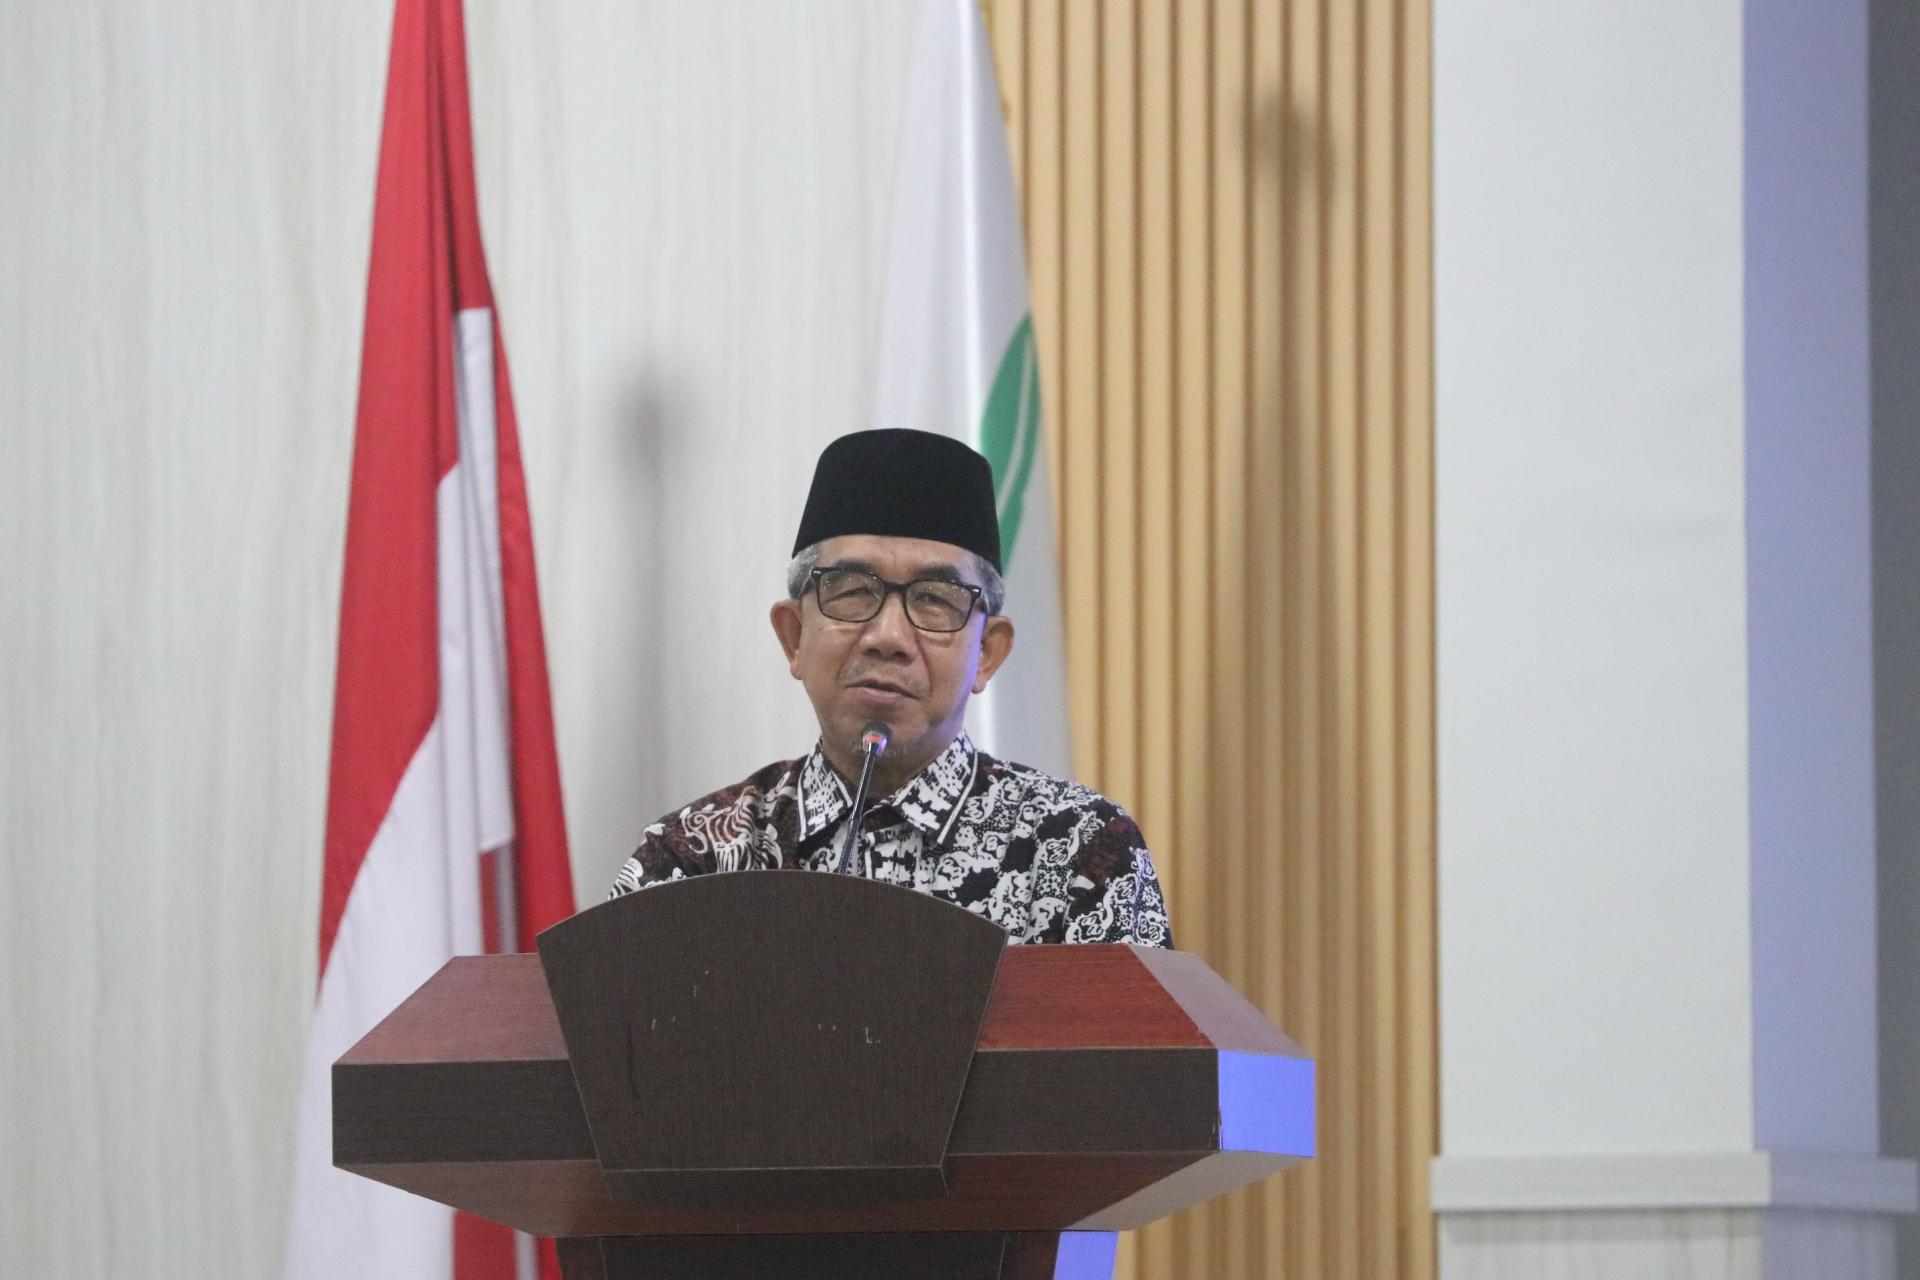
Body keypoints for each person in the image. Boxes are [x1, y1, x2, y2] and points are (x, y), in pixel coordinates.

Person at [609, 428, 1171, 947]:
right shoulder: (695, 857)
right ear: (795, 636)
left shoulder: (1079, 850)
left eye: (934, 600)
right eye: (853, 591)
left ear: (987, 653)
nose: (888, 637)